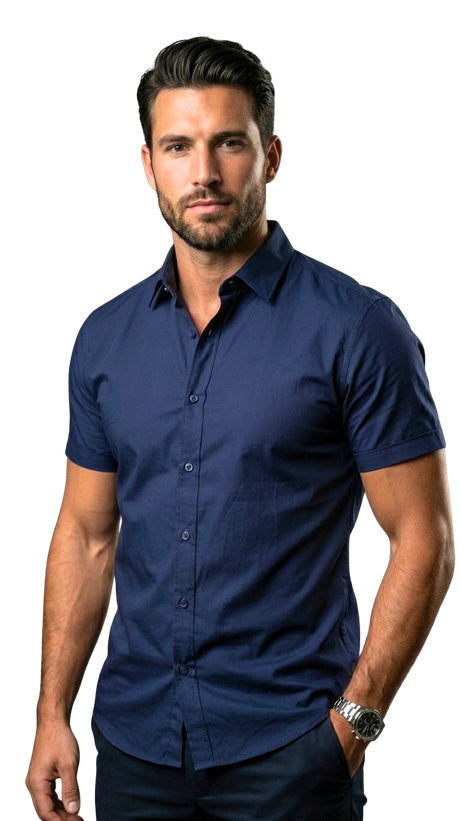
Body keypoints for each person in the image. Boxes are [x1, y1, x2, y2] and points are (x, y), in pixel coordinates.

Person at [26, 35, 454, 821]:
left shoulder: (357, 328)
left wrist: (352, 725)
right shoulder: (105, 339)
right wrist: (52, 711)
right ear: (147, 164)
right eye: (177, 146)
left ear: (270, 155)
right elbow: (86, 535)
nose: (204, 172)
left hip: (291, 750)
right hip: (135, 748)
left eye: (229, 142)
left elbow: (423, 537)